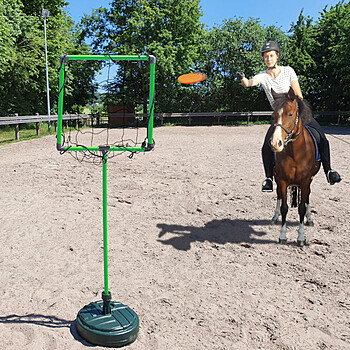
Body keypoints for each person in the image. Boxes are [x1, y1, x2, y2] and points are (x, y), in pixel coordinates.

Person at [236, 40, 341, 192]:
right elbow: (250, 83)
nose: (268, 59)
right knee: (267, 145)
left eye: (271, 55)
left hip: (296, 111)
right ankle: (268, 179)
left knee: (321, 137)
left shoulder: (288, 71)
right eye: (265, 56)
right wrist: (243, 79)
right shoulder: (263, 76)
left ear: (277, 56)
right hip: (280, 117)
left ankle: (329, 171)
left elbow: (298, 94)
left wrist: (293, 106)